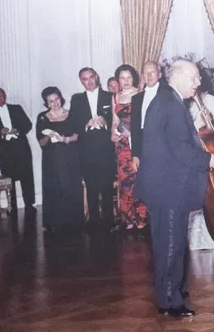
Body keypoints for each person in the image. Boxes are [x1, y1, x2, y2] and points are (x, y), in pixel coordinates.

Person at [136, 58, 214, 317]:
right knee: (170, 245)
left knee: (171, 243)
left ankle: (172, 290)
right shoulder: (170, 103)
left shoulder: (170, 100)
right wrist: (210, 159)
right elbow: (181, 149)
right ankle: (169, 300)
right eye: (194, 78)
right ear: (176, 76)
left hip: (166, 186)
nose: (198, 83)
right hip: (167, 188)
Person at [68, 66, 115, 229]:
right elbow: (73, 123)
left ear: (97, 77)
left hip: (106, 147)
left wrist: (106, 122)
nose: (88, 82)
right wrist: (87, 123)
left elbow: (117, 119)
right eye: (84, 79)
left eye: (91, 77)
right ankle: (93, 219)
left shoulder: (110, 96)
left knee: (107, 185)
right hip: (86, 148)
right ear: (81, 81)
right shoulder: (76, 99)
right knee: (91, 185)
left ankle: (109, 219)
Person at [185, 66, 214, 252]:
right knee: (196, 195)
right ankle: (195, 239)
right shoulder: (185, 102)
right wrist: (198, 123)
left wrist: (211, 123)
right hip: (194, 154)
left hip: (212, 150)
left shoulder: (211, 100)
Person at [35, 87, 83, 233]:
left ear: (60, 98)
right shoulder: (42, 117)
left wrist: (64, 139)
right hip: (51, 159)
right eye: (50, 101)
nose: (55, 103)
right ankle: (53, 222)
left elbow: (78, 136)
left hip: (70, 157)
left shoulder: (72, 114)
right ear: (46, 103)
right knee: (53, 188)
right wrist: (49, 136)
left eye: (56, 99)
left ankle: (74, 221)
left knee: (70, 186)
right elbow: (41, 142)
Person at [0, 87, 36, 215]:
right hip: (5, 151)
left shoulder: (16, 108)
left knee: (27, 177)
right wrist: (0, 132)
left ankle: (29, 204)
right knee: (9, 178)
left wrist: (17, 130)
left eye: (1, 96)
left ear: (5, 96)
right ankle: (12, 206)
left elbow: (28, 125)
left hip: (21, 147)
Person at [110, 64, 146, 230]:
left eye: (129, 77)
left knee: (139, 179)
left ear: (134, 78)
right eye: (122, 77)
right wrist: (113, 133)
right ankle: (128, 218)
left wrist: (130, 133)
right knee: (125, 181)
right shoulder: (115, 97)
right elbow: (115, 121)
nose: (125, 81)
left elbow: (143, 122)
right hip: (122, 146)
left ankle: (141, 218)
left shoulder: (140, 94)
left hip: (137, 143)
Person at [136, 59, 165, 134]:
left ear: (160, 74)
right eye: (146, 73)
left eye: (152, 72)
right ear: (143, 76)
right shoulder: (136, 98)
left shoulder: (167, 94)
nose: (149, 75)